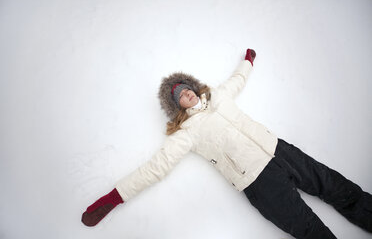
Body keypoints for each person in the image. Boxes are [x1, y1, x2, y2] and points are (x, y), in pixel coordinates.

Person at [81, 49, 372, 238]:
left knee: (336, 186)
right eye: (180, 96)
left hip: (278, 149)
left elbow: (237, 80)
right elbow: (156, 168)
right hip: (258, 181)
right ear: (177, 107)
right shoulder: (186, 132)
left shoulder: (218, 96)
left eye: (187, 89)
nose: (187, 95)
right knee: (309, 230)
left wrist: (247, 61)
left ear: (194, 88)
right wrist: (112, 199)